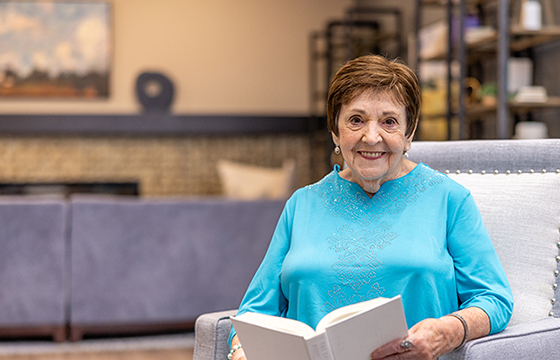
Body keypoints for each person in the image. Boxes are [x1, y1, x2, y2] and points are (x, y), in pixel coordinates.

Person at [228, 54, 513, 360]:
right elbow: (254, 312)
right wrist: (240, 351)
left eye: (389, 121)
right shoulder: (302, 204)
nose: (372, 136)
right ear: (335, 132)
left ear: (409, 132)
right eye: (356, 120)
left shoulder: (450, 200)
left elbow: (494, 299)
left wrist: (449, 331)